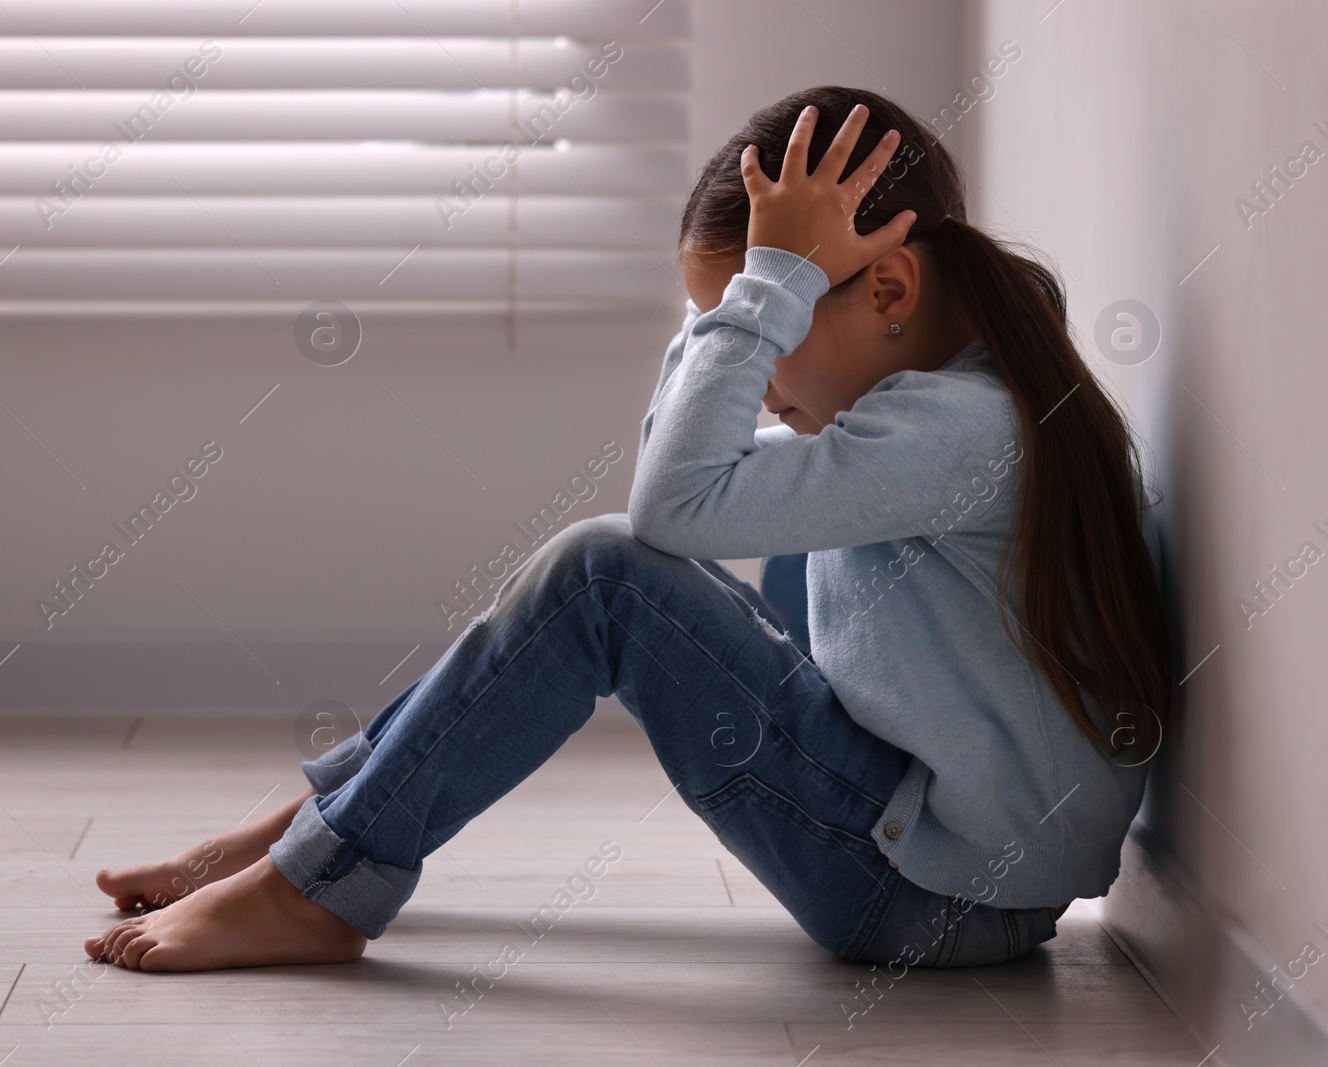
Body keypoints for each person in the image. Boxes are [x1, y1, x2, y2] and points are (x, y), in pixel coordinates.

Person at [84, 86, 1170, 973]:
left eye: (771, 322)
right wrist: (746, 300)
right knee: (634, 566)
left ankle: (314, 886)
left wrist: (768, 285)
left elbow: (666, 510)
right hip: (946, 867)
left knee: (603, 574)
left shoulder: (956, 430)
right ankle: (316, 831)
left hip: (928, 895)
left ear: (888, 284)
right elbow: (685, 498)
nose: (748, 370)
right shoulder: (952, 402)